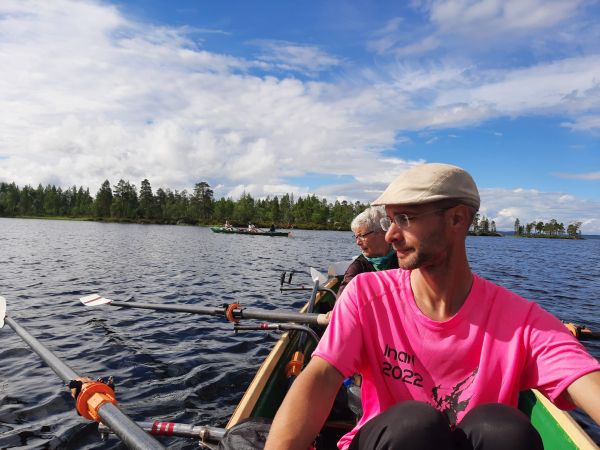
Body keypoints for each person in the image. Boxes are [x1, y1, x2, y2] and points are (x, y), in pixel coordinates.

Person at [265, 163, 600, 450]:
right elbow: (321, 376)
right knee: (415, 424)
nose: (392, 234)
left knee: (504, 431)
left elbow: (587, 381)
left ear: (456, 220)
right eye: (390, 220)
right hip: (392, 439)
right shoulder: (366, 294)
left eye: (405, 218)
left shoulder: (522, 320)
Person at [337, 206, 399, 299]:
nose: (357, 242)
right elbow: (342, 301)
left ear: (382, 232)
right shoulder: (357, 268)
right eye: (356, 237)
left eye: (361, 236)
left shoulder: (404, 258)